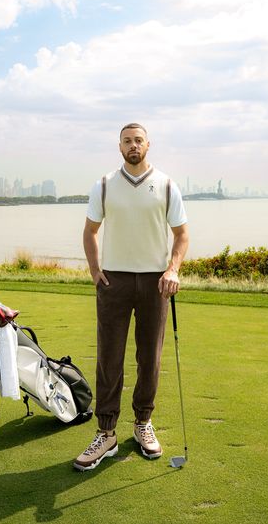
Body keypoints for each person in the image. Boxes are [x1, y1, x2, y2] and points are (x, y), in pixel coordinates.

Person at [73, 123, 189, 471]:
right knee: (109, 358)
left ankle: (142, 424)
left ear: (148, 144)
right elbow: (90, 231)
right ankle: (106, 433)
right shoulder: (104, 185)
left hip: (156, 282)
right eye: (127, 140)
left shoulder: (166, 185)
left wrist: (173, 269)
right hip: (114, 282)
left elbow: (182, 236)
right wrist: (95, 271)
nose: (133, 145)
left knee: (149, 358)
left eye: (138, 139)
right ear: (119, 146)